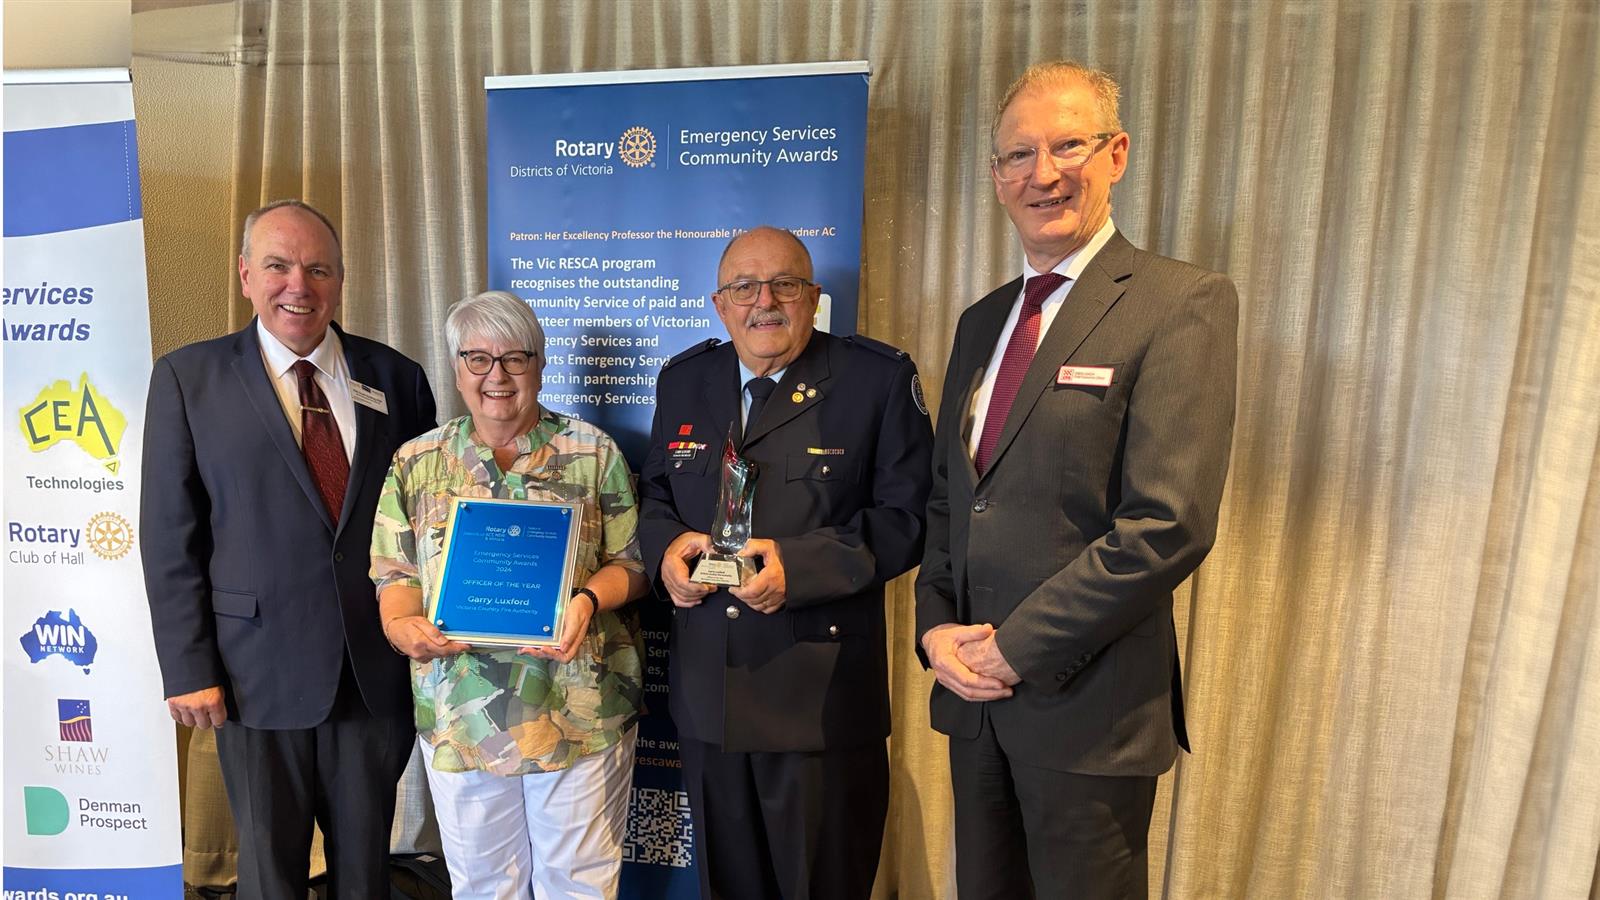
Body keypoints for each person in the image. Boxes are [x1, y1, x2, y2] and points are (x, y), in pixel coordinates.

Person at [915, 61, 1239, 899]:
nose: (1043, 174)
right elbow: (952, 498)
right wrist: (936, 629)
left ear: (1117, 154)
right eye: (1018, 155)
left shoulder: (1180, 303)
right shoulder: (982, 321)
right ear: (996, 178)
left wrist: (1011, 649)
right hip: (975, 705)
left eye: (1067, 146)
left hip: (1088, 712)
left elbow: (1166, 525)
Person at [141, 199, 438, 899]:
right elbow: (169, 535)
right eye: (277, 266)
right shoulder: (189, 380)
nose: (297, 286)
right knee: (271, 874)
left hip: (374, 672)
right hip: (253, 674)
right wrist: (188, 667)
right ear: (246, 274)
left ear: (339, 280)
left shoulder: (398, 379)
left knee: (366, 871)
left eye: (317, 269)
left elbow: (429, 522)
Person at [638, 226, 933, 900]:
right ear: (719, 303)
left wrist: (799, 568)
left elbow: (909, 518)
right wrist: (667, 554)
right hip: (709, 695)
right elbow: (654, 494)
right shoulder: (685, 381)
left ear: (813, 298)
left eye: (784, 285)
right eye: (744, 286)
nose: (762, 301)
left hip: (819, 703)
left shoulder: (875, 381)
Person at [370, 290, 649, 899]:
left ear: (540, 364)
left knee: (577, 884)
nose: (496, 376)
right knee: (482, 887)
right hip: (461, 713)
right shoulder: (416, 462)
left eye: (515, 358)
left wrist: (587, 601)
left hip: (577, 709)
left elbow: (632, 565)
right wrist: (401, 626)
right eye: (477, 358)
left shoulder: (593, 452)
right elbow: (394, 574)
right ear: (456, 367)